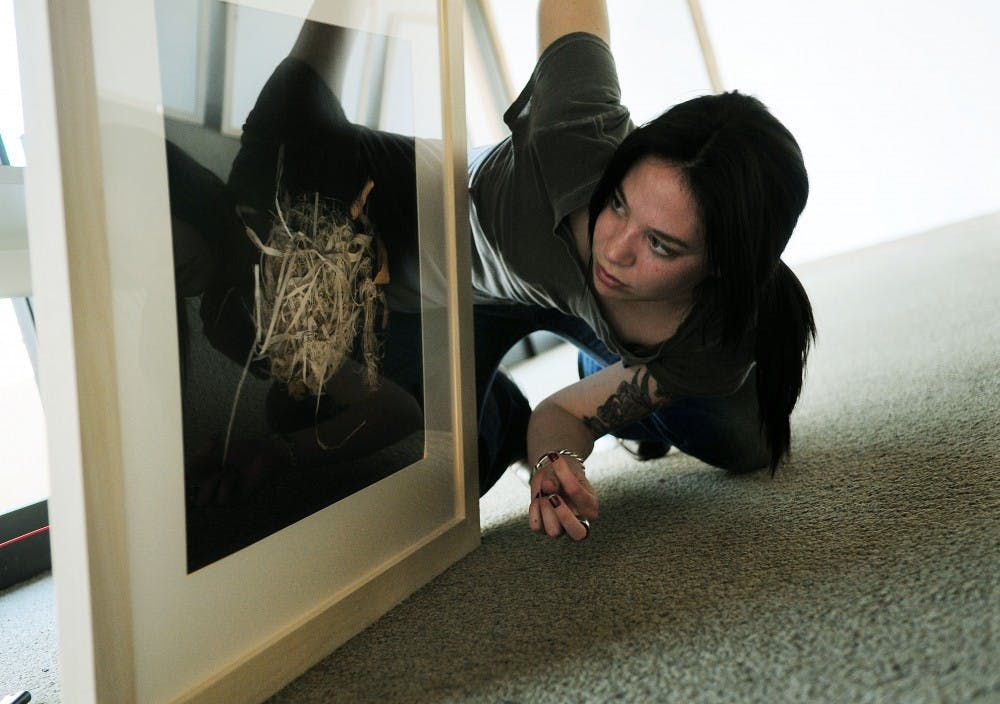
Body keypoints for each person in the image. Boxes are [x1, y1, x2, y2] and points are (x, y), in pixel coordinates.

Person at [220, 0, 816, 541]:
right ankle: (500, 412)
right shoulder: (272, 284)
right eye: (618, 206)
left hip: (531, 253)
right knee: (423, 479)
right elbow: (554, 419)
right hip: (464, 295)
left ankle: (605, 363)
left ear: (721, 269)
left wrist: (579, 436)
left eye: (661, 245)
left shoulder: (573, 134)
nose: (616, 249)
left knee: (745, 439)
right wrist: (549, 461)